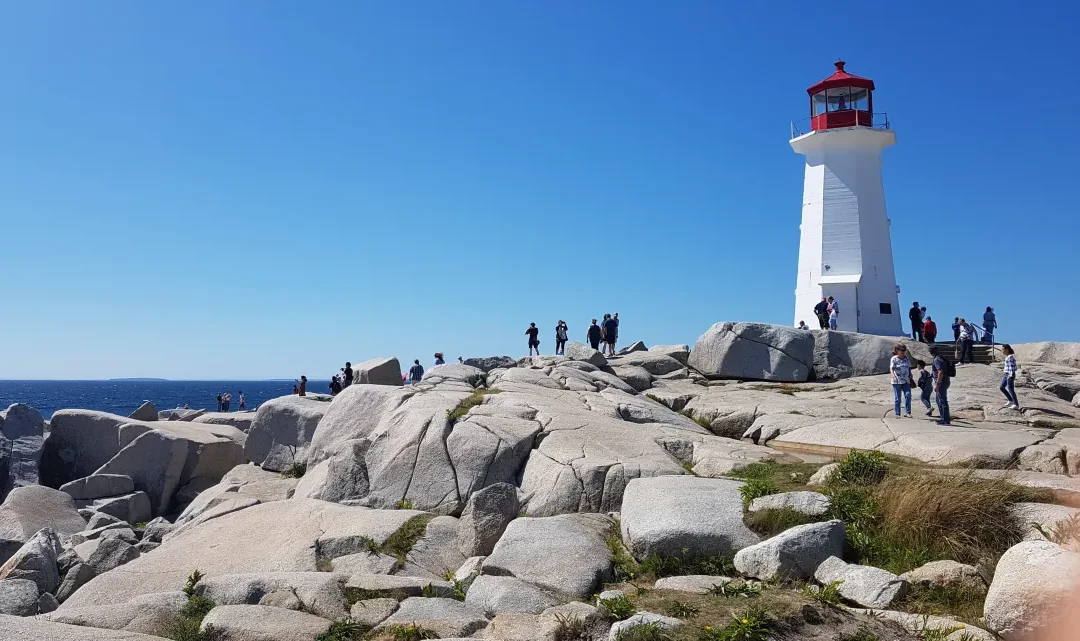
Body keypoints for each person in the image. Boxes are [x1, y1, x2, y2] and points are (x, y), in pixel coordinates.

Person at [889, 343, 913, 418]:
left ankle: (908, 412)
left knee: (908, 395)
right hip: (897, 380)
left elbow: (908, 367)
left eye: (904, 350)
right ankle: (897, 413)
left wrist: (910, 374)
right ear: (897, 351)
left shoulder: (906, 358)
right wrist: (893, 376)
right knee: (898, 398)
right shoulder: (894, 358)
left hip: (906, 380)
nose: (903, 352)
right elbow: (891, 368)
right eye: (901, 350)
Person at [930, 346, 952, 425]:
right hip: (945, 380)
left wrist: (937, 384)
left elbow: (940, 372)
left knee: (942, 401)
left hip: (941, 381)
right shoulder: (942, 358)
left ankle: (945, 420)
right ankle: (943, 418)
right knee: (939, 400)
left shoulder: (937, 360)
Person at [1000, 344, 1020, 410]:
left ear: (1007, 349)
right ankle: (1010, 400)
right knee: (1002, 387)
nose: (1002, 351)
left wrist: (1010, 375)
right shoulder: (1008, 357)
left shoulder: (1010, 357)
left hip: (1009, 375)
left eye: (1003, 349)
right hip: (1006, 374)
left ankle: (1016, 404)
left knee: (1011, 389)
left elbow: (1011, 367)